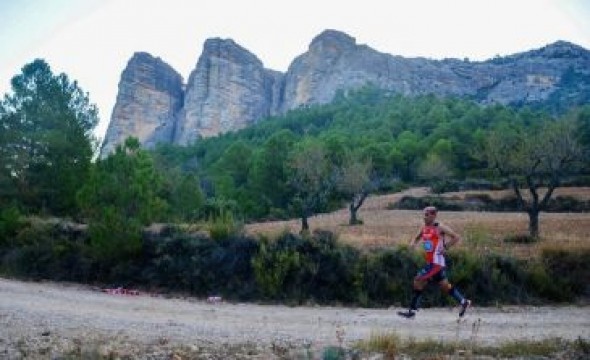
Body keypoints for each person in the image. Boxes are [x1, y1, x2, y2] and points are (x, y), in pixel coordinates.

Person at [397, 206, 471, 318]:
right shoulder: (424, 228)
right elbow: (417, 238)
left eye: (427, 215)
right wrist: (412, 244)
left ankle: (412, 311)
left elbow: (456, 237)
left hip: (436, 263)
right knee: (445, 286)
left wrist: (445, 246)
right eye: (424, 214)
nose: (424, 217)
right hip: (431, 262)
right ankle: (463, 301)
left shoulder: (440, 227)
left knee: (418, 280)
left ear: (433, 215)